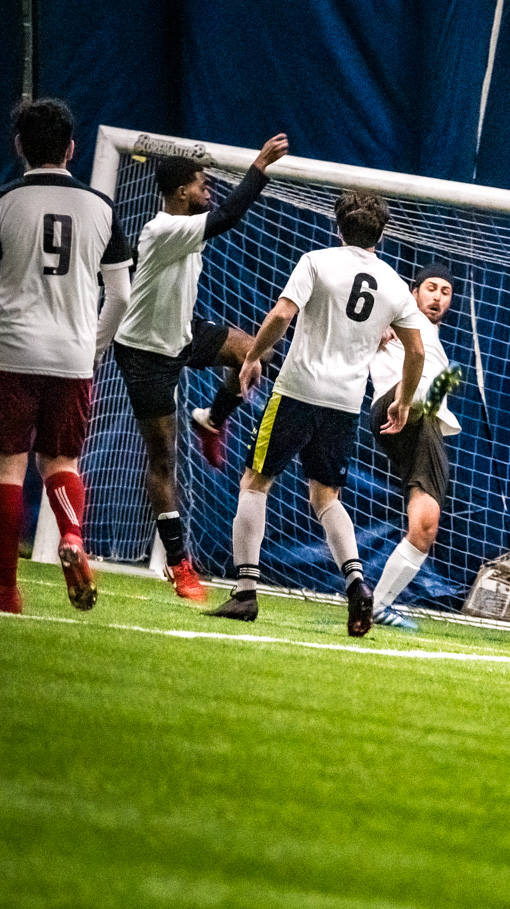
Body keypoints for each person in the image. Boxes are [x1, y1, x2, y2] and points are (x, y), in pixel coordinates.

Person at [207, 190, 426, 637]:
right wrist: (403, 401)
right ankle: (358, 584)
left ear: (338, 226)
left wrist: (253, 356)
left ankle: (246, 591)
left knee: (255, 480)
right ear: (381, 234)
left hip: (298, 391)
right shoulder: (395, 284)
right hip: (345, 403)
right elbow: (416, 349)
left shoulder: (316, 261)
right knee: (326, 496)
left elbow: (283, 314)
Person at [98, 134, 289, 602]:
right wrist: (259, 166)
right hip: (144, 354)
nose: (209, 190)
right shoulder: (165, 229)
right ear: (182, 190)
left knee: (258, 352)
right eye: (203, 183)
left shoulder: (185, 225)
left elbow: (218, 214)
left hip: (183, 334)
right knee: (163, 456)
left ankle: (213, 419)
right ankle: (180, 565)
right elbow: (229, 216)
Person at [0, 98, 132, 614]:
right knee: (62, 458)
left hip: (12, 351)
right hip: (72, 355)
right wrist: (91, 346)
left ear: (19, 147)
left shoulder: (6, 204)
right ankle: (72, 535)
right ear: (72, 149)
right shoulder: (101, 207)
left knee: (9, 464)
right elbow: (120, 295)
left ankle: (7, 592)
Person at [366, 262, 464, 630]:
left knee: (426, 523)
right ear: (414, 292)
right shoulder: (399, 314)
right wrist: (380, 324)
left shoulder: (431, 336)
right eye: (431, 288)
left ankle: (377, 603)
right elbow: (368, 313)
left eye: (445, 292)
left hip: (422, 422)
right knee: (427, 522)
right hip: (400, 404)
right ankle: (378, 603)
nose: (437, 296)